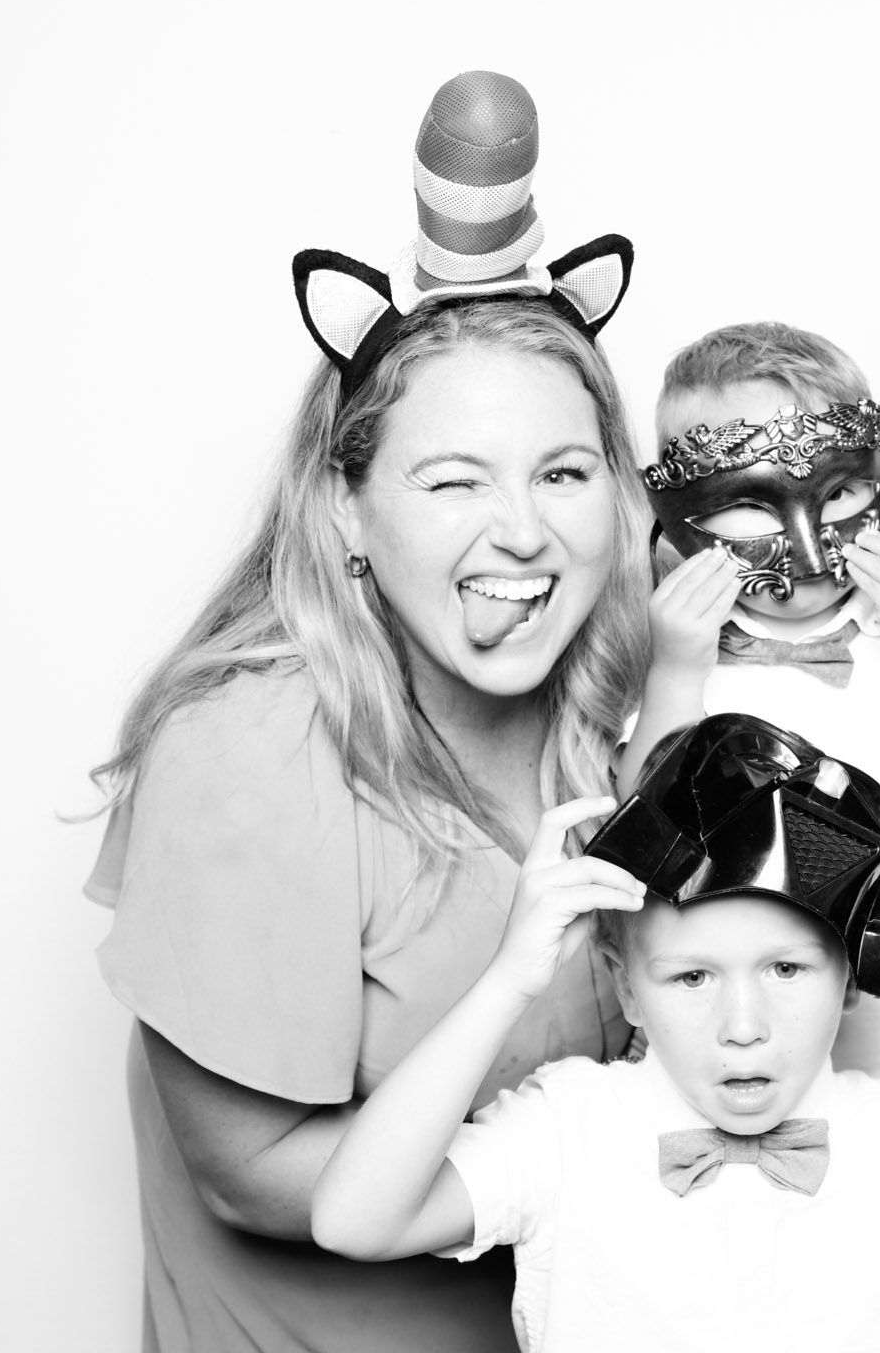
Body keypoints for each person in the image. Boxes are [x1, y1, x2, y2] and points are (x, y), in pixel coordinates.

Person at [83, 71, 647, 1351]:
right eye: (453, 481)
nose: (524, 533)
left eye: (564, 472)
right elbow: (247, 1170)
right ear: (346, 505)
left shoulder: (626, 702)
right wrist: (599, 1171)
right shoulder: (250, 752)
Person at [309, 787, 880, 1353]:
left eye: (786, 970)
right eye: (692, 977)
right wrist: (508, 981)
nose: (744, 1027)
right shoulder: (565, 1123)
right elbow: (351, 1221)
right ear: (627, 987)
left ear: (851, 976)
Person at [618, 322, 880, 1075]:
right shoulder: (679, 657)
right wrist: (674, 675)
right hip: (733, 1048)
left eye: (840, 492)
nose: (804, 543)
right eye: (753, 505)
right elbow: (645, 841)